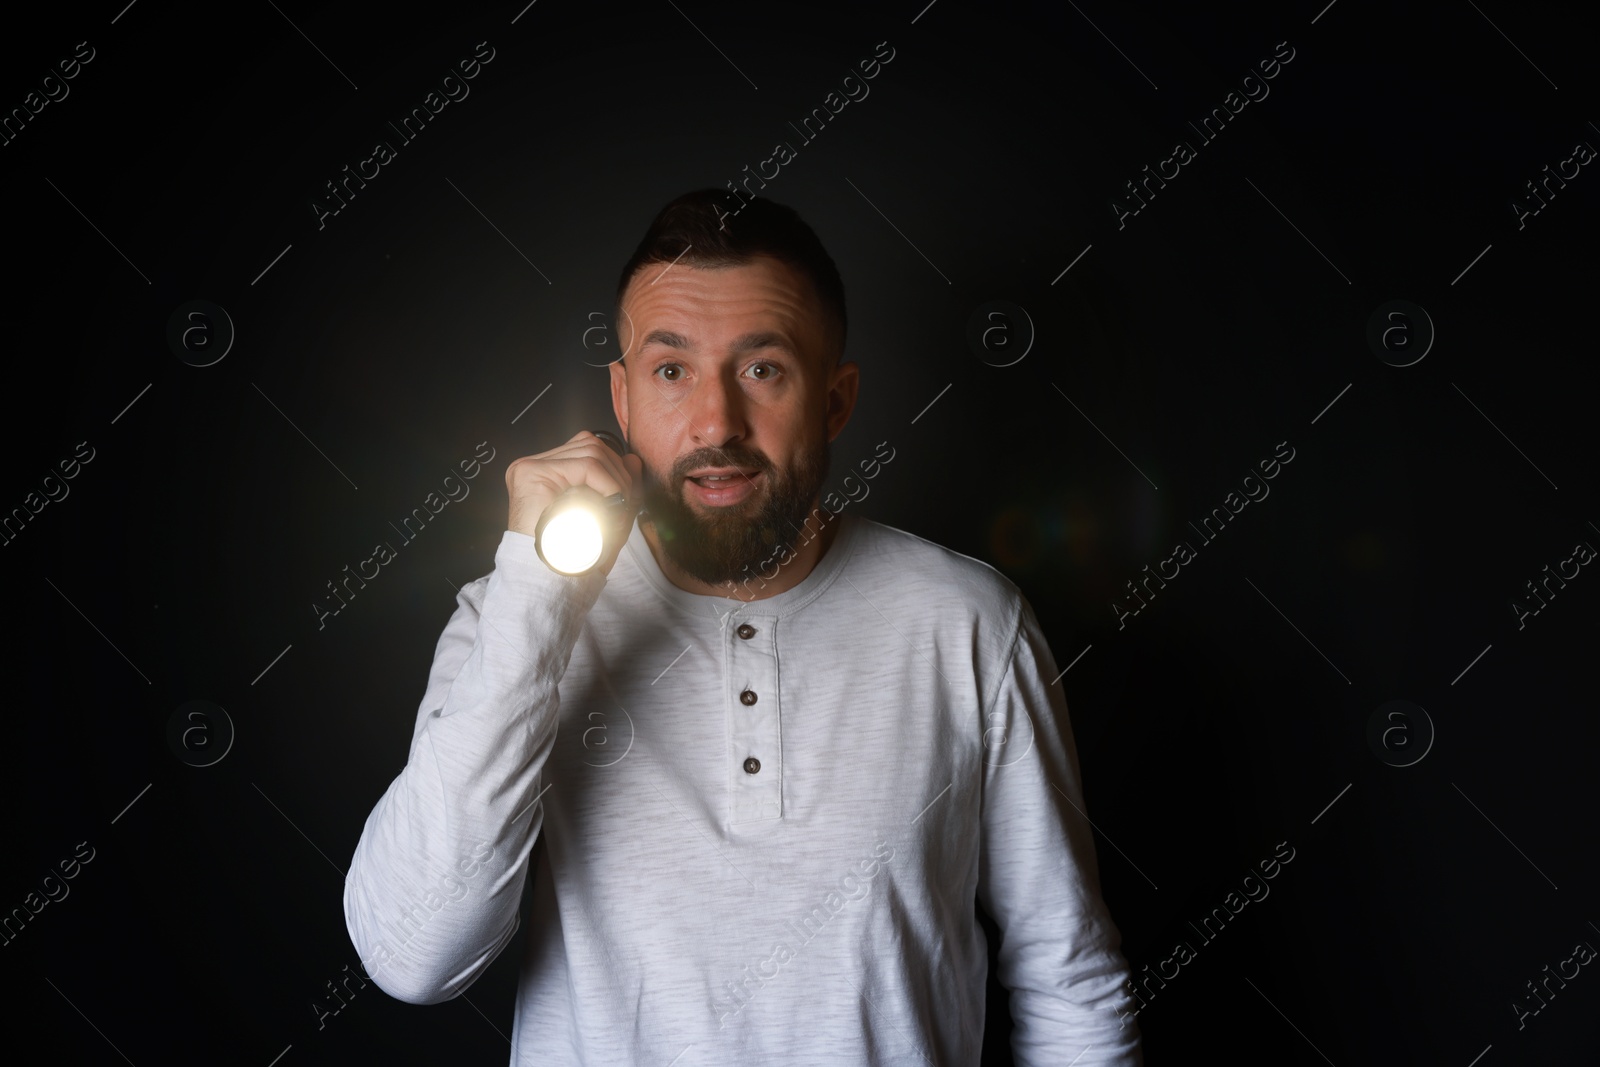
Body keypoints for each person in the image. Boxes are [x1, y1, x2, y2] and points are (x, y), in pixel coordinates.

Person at [343, 188, 1144, 1065]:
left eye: (763, 368)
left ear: (835, 401)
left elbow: (1068, 979)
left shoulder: (968, 622)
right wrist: (537, 595)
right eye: (671, 370)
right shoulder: (509, 615)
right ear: (621, 397)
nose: (716, 422)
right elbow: (415, 957)